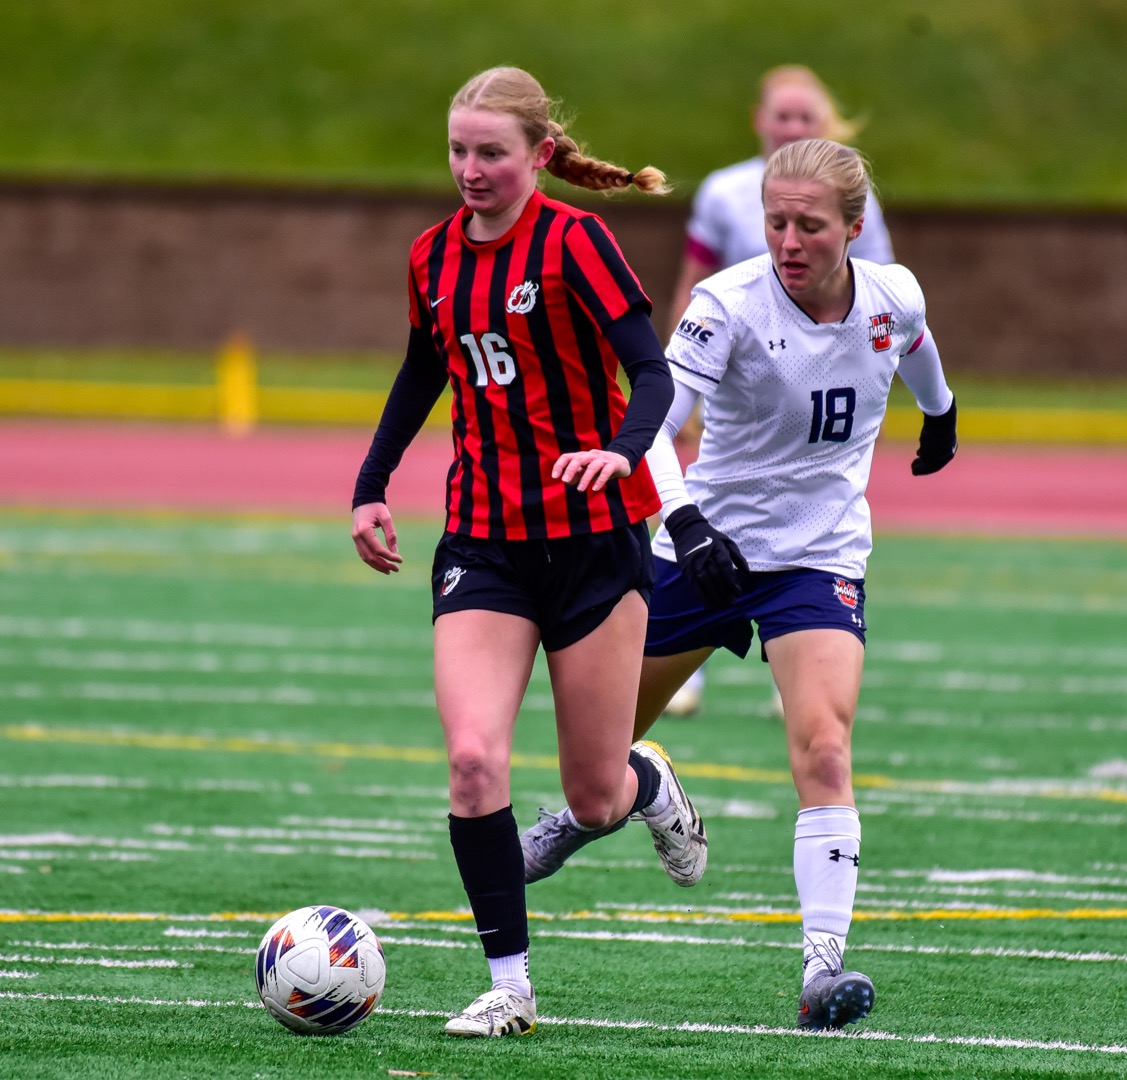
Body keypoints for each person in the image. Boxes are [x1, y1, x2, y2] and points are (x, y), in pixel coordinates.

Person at [522, 138, 960, 1030]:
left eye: (809, 224)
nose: (789, 240)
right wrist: (683, 522)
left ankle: (821, 970)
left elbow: (915, 343)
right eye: (776, 222)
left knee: (825, 748)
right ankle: (637, 789)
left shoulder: (892, 292)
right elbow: (651, 423)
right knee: (592, 765)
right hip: (703, 549)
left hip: (818, 559)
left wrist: (942, 413)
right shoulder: (726, 303)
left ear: (854, 227)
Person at [350, 66, 708, 1040]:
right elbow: (425, 369)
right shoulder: (433, 257)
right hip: (484, 546)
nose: (471, 169)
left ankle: (649, 786)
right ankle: (510, 984)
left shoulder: (576, 243)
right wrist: (371, 485)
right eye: (459, 150)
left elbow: (653, 373)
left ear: (540, 155)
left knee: (593, 794)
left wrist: (621, 451)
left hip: (594, 544)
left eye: (491, 152)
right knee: (473, 762)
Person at [661, 65, 895, 719]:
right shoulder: (723, 192)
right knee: (718, 498)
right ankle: (688, 666)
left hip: (814, 377)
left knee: (807, 504)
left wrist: (930, 404)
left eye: (804, 117)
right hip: (733, 366)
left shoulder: (855, 199)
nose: (791, 127)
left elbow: (878, 293)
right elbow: (695, 283)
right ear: (758, 120)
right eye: (781, 116)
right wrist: (676, 373)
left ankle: (799, 654)